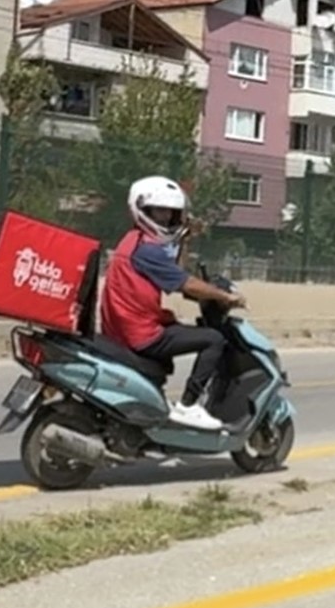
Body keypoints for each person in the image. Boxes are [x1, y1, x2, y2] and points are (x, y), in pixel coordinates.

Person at [99, 175, 245, 431]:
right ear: (143, 210)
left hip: (126, 327)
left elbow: (175, 273)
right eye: (159, 211)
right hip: (141, 333)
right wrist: (226, 296)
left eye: (170, 212)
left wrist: (185, 240)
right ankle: (189, 406)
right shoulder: (147, 251)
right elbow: (185, 284)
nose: (165, 218)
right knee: (213, 339)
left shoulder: (135, 241)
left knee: (179, 327)